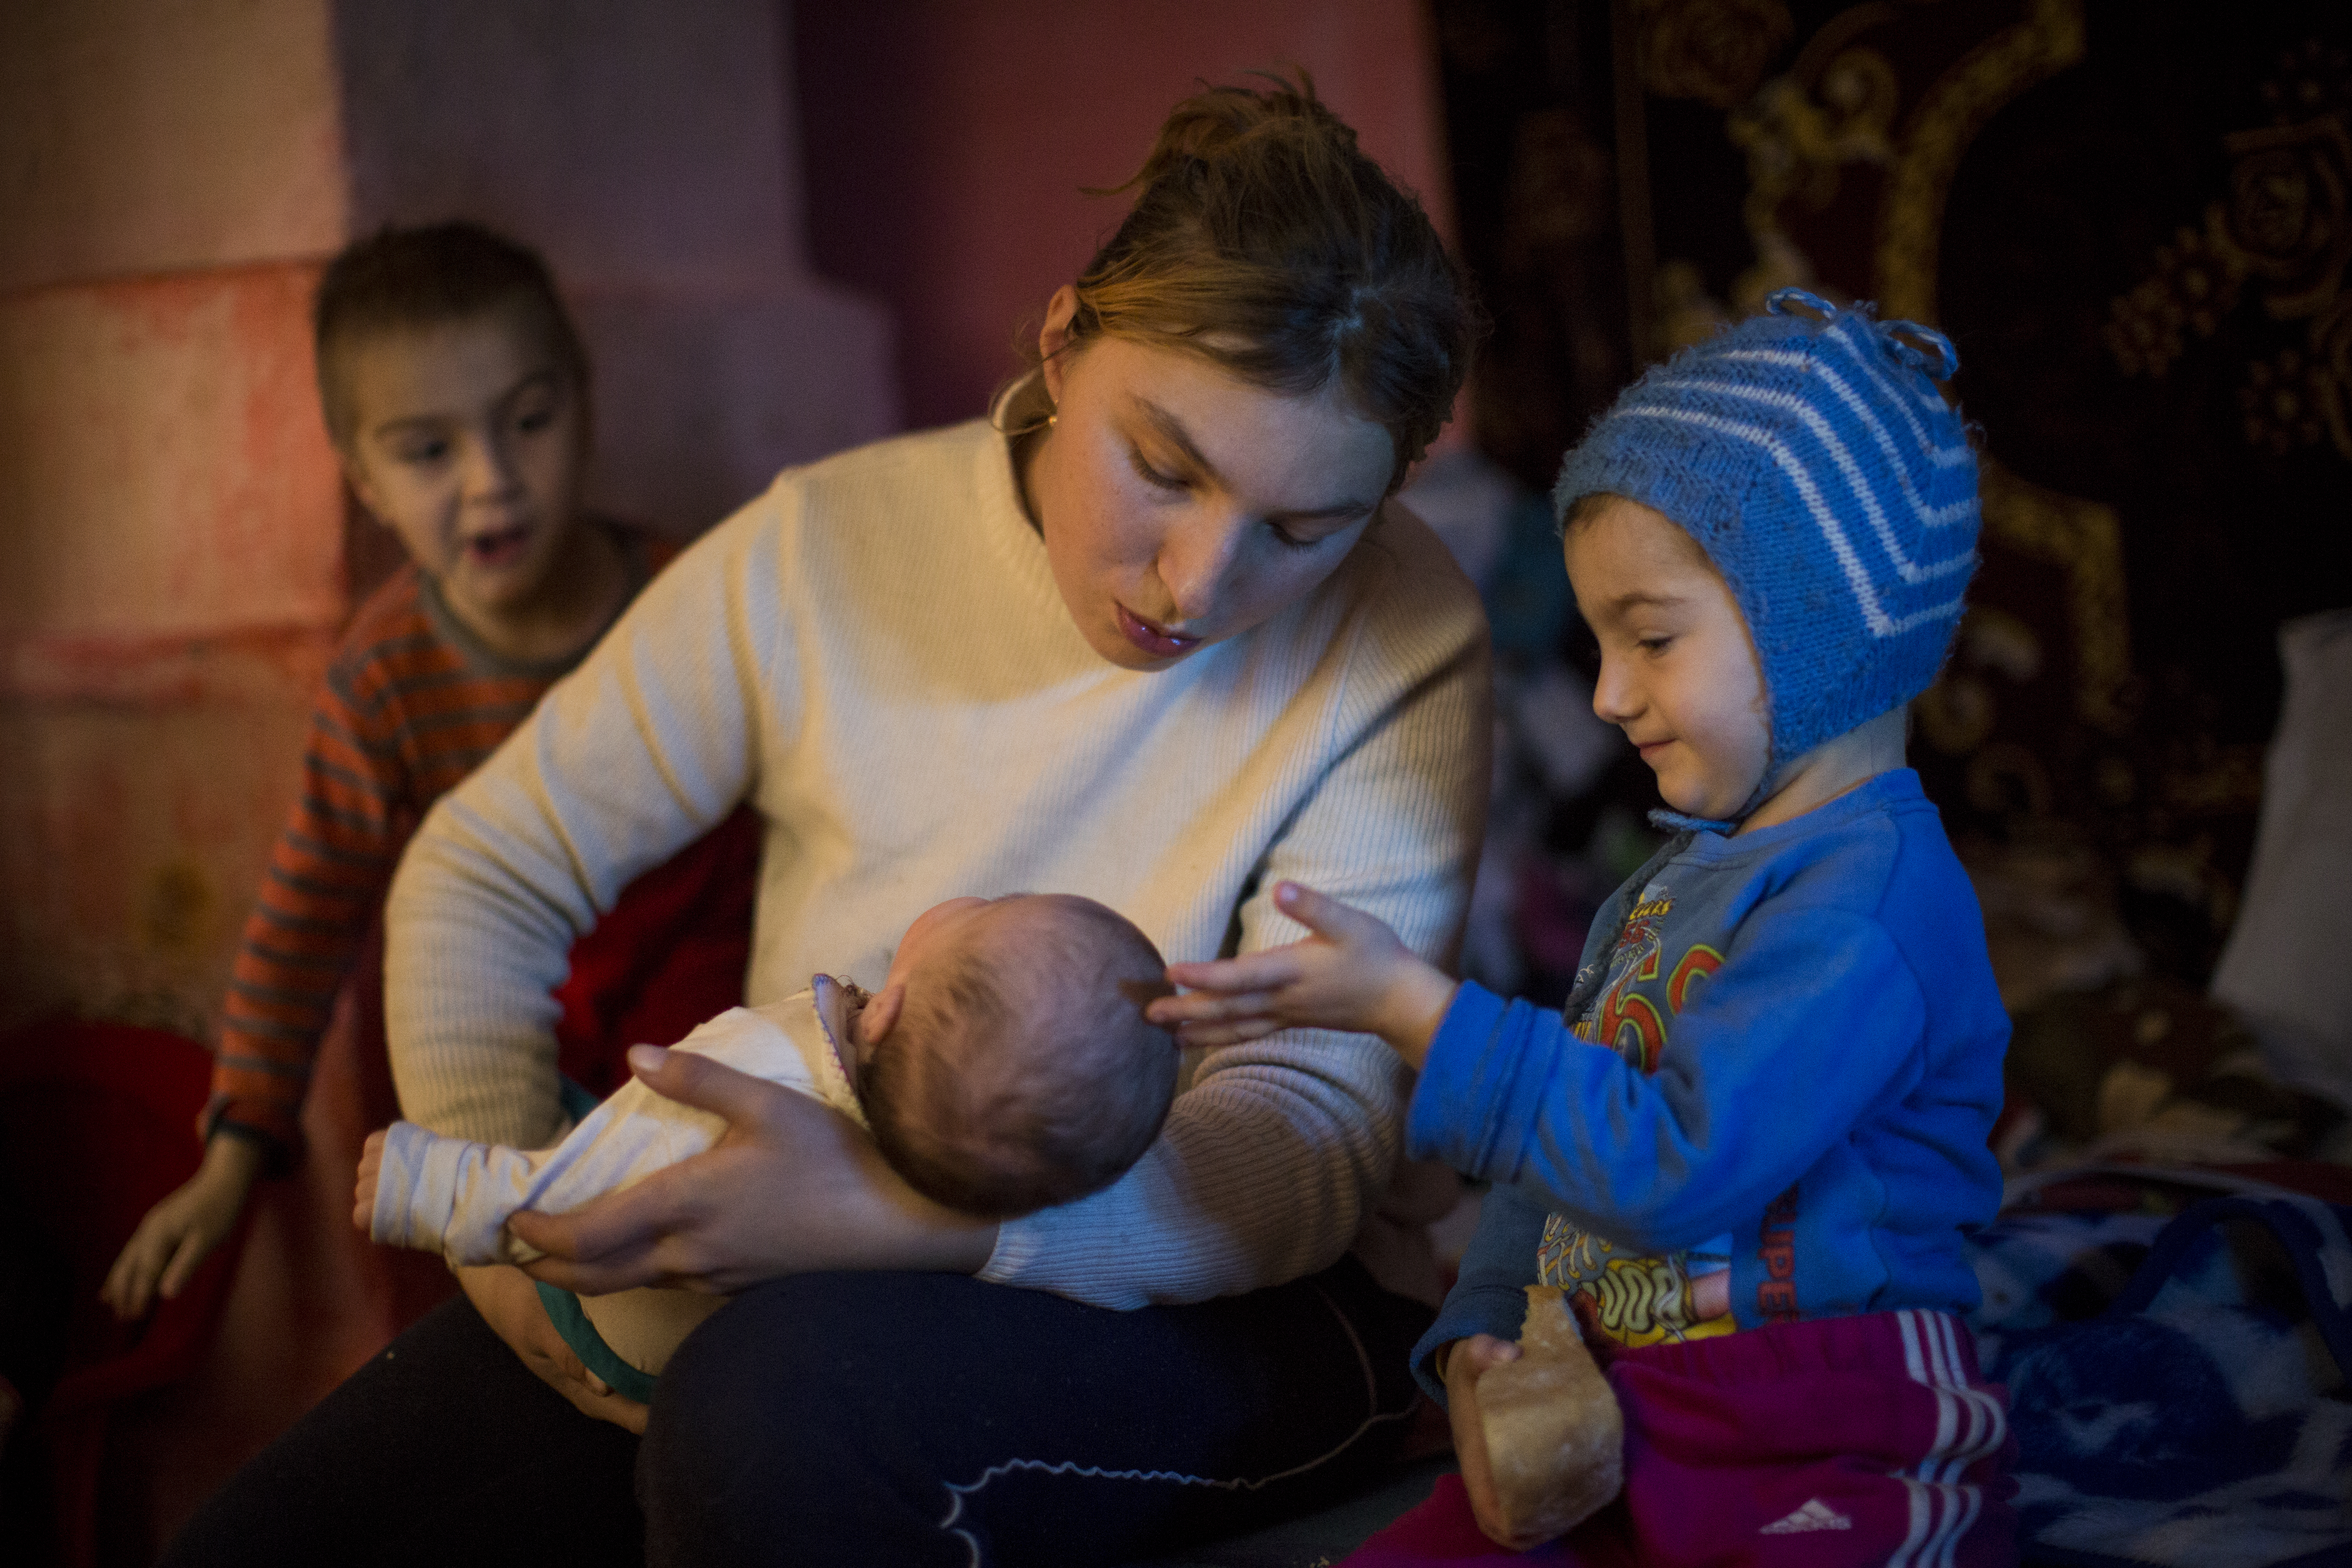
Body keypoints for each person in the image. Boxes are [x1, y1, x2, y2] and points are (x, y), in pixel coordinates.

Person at [163, 74, 1489, 1568]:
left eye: (1303, 532)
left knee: (772, 1414)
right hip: (775, 1240)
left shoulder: (1402, 632)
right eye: (1162, 470)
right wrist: (521, 1245)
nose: (1198, 583)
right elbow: (487, 866)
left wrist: (892, 1219)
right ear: (1064, 345)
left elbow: (1308, 1131)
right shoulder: (826, 547)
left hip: (1223, 1289)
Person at [1156, 291, 2017, 1566]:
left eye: (1652, 638)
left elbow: (1674, 1164)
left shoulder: (1872, 906)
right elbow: (1553, 1166)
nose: (1610, 694)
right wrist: (1484, 1333)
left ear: (1824, 626)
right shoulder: (1660, 890)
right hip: (1616, 1401)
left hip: (1827, 1413)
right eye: (1601, 643)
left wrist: (1421, 1012)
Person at [102, 223, 758, 1325]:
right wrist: (232, 1152)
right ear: (364, 480)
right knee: (514, 1296)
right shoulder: (387, 682)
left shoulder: (689, 598)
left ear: (585, 405)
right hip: (506, 1041)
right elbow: (306, 918)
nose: (494, 482)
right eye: (427, 452)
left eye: (530, 422)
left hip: (701, 1011)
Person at [357, 893, 1176, 1396]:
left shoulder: (758, 1069)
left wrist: (428, 1188)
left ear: (886, 1013)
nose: (980, 892)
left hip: (603, 1312)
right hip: (707, 1346)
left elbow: (580, 1198)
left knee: (593, 1135)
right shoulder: (961, 1162)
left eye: (992, 907)